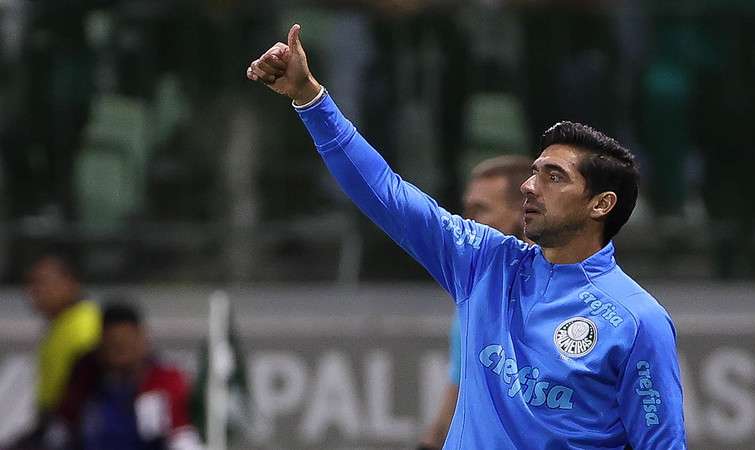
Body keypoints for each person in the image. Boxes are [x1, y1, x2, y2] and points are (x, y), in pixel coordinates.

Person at [247, 24, 686, 449]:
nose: (530, 187)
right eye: (534, 173)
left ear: (601, 204)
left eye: (555, 177)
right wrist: (310, 99)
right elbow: (385, 193)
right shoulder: (486, 262)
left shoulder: (637, 322)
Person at [418, 155, 534, 449]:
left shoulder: (570, 299)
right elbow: (460, 385)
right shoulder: (476, 294)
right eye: (466, 210)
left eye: (480, 210)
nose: (466, 223)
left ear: (524, 214)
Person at [51, 301, 202, 450]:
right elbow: (61, 428)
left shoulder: (164, 380)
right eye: (113, 345)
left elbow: (182, 435)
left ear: (142, 338)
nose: (120, 353)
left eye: (126, 344)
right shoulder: (85, 377)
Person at [10, 252, 101, 449]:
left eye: (42, 283)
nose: (34, 292)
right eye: (31, 284)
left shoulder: (82, 327)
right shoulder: (62, 323)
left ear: (69, 284)